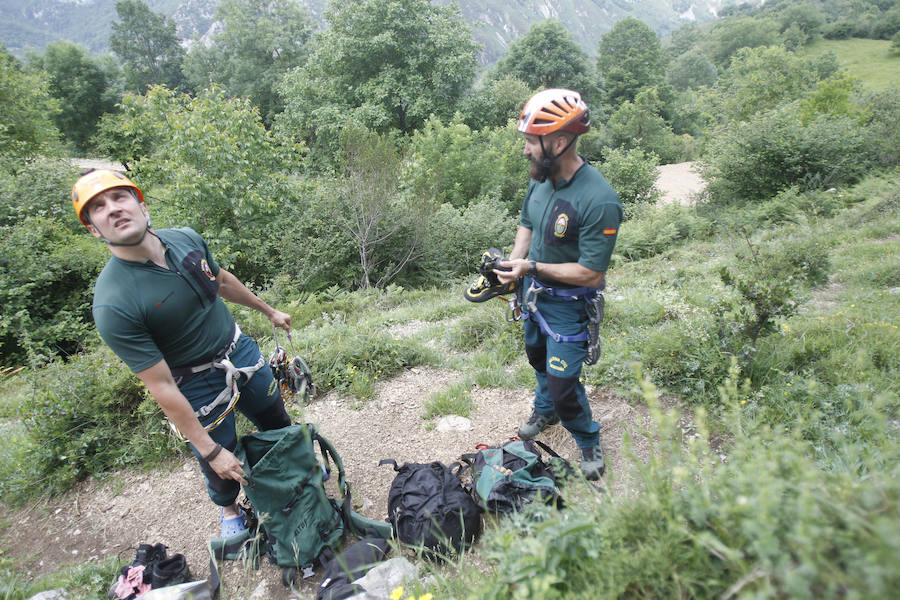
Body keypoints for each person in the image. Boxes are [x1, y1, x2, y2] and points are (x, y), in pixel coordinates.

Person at [71, 169, 293, 536]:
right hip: (193, 384)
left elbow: (220, 281)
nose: (112, 209)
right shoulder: (114, 303)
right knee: (221, 465)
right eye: (98, 207)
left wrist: (269, 311)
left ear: (141, 205)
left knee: (277, 422)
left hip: (239, 352)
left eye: (119, 197)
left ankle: (291, 470)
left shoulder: (185, 239)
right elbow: (161, 387)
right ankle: (228, 510)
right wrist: (207, 449)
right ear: (93, 228)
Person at [494, 89, 623, 481]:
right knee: (537, 358)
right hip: (533, 296)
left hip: (568, 306)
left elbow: (591, 273)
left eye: (532, 141)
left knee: (565, 385)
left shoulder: (599, 200)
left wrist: (529, 266)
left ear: (560, 141)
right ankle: (546, 408)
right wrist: (514, 263)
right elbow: (528, 224)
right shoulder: (540, 179)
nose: (525, 150)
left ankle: (587, 439)